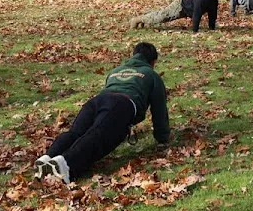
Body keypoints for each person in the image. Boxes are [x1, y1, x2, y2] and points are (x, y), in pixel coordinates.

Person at [36, 42, 170, 184]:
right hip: (121, 103)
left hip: (97, 101)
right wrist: (162, 137)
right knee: (96, 135)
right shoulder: (152, 75)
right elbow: (159, 108)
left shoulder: (116, 71)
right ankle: (66, 165)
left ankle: (47, 158)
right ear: (153, 61)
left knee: (75, 132)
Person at [129, 0, 227, 32]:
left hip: (185, 10)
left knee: (161, 16)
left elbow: (212, 15)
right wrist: (195, 31)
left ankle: (143, 19)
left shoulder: (214, 1)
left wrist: (212, 29)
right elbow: (197, 14)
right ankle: (137, 20)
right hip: (180, 7)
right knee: (161, 18)